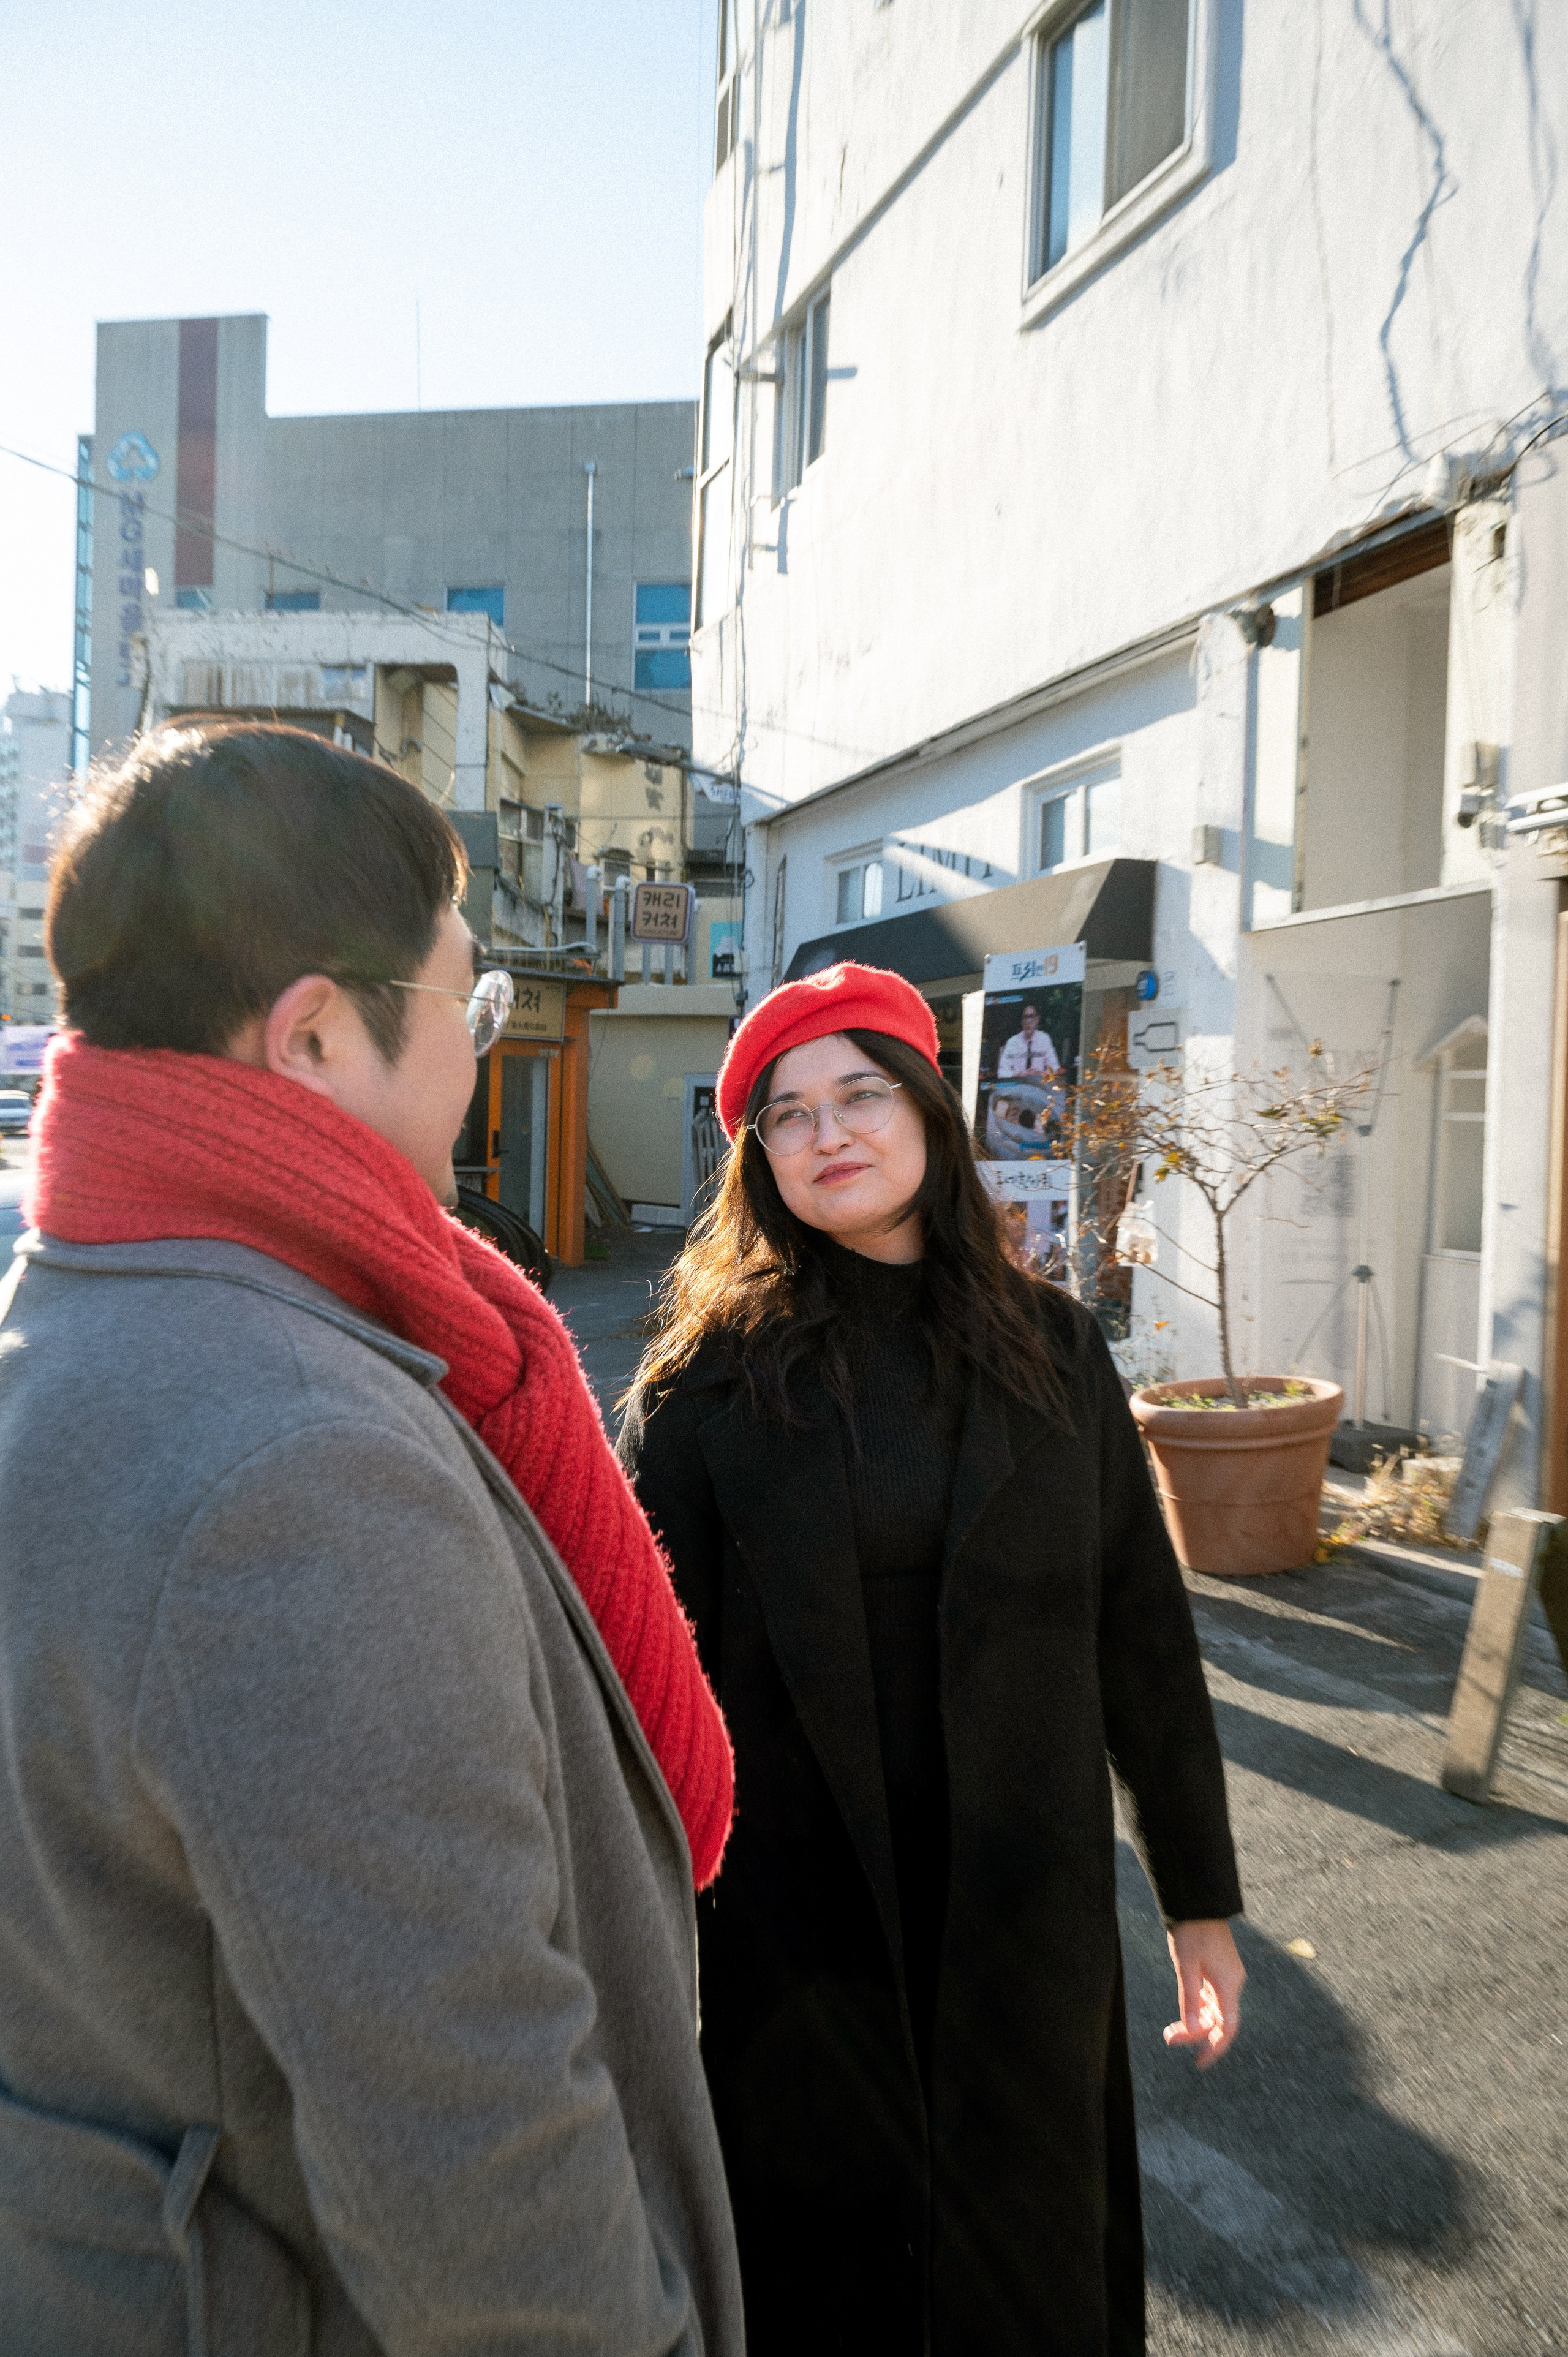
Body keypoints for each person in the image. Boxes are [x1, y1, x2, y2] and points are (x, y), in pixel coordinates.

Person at [0, 721, 743, 2355]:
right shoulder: (300, 1470)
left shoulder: (79, 1313)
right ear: (318, 1040)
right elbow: (482, 2178)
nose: (483, 1054)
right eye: (469, 1005)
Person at [618, 959, 1244, 2357]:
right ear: (756, 1158)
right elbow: (643, 1693)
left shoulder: (1056, 1353)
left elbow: (1138, 1629)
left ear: (926, 1110)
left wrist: (1197, 1895)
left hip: (1023, 1909)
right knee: (824, 2286)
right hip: (795, 1929)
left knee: (1028, 2275)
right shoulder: (699, 1389)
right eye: (783, 1114)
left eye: (857, 1092)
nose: (825, 1131)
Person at [997, 997, 1062, 1078]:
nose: (1028, 1021)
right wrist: (1020, 1074)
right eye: (1025, 1017)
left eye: (1032, 1016)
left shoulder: (1044, 1039)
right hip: (1018, 1086)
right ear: (1021, 1021)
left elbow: (1055, 1067)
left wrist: (1042, 1074)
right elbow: (1001, 1072)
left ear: (1038, 1019)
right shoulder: (1012, 1042)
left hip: (1039, 1086)